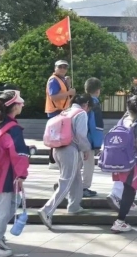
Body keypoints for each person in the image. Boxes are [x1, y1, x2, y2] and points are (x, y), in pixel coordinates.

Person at [38, 94, 93, 229]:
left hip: (57, 149)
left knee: (75, 179)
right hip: (70, 150)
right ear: (86, 104)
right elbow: (81, 135)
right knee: (66, 182)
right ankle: (47, 210)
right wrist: (86, 149)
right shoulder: (81, 113)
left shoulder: (65, 112)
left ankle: (74, 206)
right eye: (89, 107)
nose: (88, 110)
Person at [0, 90, 29, 257]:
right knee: (2, 211)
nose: (23, 104)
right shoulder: (13, 128)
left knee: (8, 208)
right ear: (14, 106)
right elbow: (19, 154)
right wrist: (22, 174)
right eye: (20, 102)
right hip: (7, 176)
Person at [105, 96, 137, 233]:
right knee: (130, 189)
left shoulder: (122, 120)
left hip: (118, 159)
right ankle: (119, 222)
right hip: (131, 161)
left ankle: (124, 208)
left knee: (126, 188)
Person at [45, 60, 76, 169]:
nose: (63, 69)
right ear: (55, 68)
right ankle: (53, 161)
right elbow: (53, 96)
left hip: (62, 111)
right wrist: (69, 92)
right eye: (60, 67)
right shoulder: (53, 80)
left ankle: (55, 160)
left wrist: (68, 86)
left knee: (59, 136)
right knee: (55, 137)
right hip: (55, 111)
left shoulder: (62, 79)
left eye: (65, 67)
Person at [82, 78, 104, 198]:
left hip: (76, 138)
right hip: (88, 140)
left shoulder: (80, 101)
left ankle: (71, 185)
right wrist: (97, 144)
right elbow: (96, 126)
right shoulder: (94, 104)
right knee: (88, 165)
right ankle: (84, 187)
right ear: (97, 90)